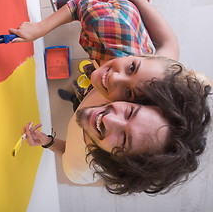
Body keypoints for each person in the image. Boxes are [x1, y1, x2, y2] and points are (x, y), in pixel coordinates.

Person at [23, 71, 211, 194]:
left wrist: (47, 142)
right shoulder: (111, 90)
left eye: (123, 139)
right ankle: (75, 98)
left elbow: (68, 153)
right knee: (79, 106)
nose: (108, 118)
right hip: (84, 104)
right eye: (130, 112)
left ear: (118, 161)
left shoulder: (80, 169)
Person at [9, 0, 186, 103]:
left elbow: (171, 44)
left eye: (128, 93)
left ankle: (76, 96)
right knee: (61, 3)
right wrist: (40, 28)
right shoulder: (103, 23)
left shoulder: (156, 81)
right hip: (109, 7)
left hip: (107, 46)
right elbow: (76, 6)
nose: (116, 79)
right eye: (132, 68)